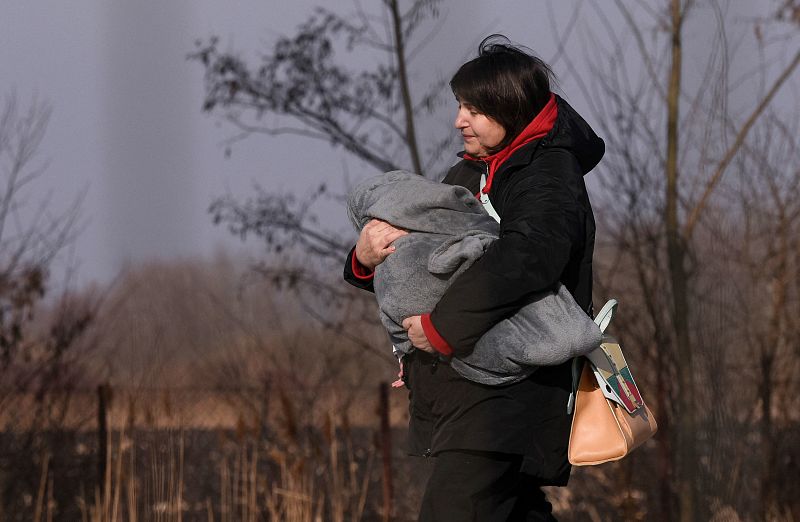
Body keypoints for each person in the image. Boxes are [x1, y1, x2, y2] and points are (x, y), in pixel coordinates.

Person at [344, 35, 603, 521]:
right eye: (460, 106)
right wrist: (365, 257)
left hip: (512, 389)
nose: (459, 120)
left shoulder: (548, 174)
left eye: (475, 110)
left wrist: (442, 328)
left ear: (511, 109)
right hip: (471, 386)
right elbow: (422, 253)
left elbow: (526, 258)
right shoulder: (468, 174)